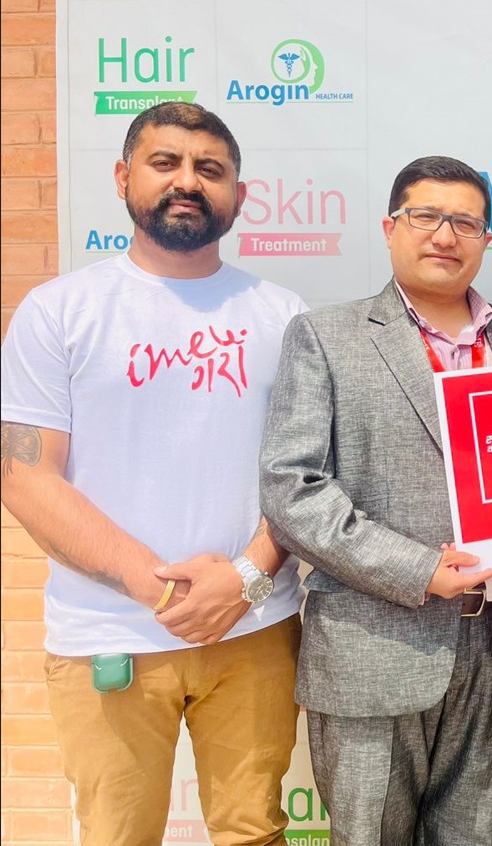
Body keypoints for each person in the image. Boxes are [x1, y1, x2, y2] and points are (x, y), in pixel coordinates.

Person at [258, 155, 492, 846]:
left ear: (486, 239)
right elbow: (292, 490)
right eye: (425, 216)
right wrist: (418, 568)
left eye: (466, 222)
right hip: (374, 644)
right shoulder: (326, 336)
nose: (446, 235)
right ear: (391, 228)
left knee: (470, 837)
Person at [0, 102, 305, 846]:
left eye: (210, 169)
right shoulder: (58, 311)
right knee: (117, 835)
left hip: (256, 627)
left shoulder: (283, 316)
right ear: (122, 177)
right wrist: (161, 590)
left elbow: (310, 475)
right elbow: (26, 477)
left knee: (254, 832)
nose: (188, 182)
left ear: (239, 193)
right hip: (109, 636)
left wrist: (246, 578)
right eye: (165, 162)